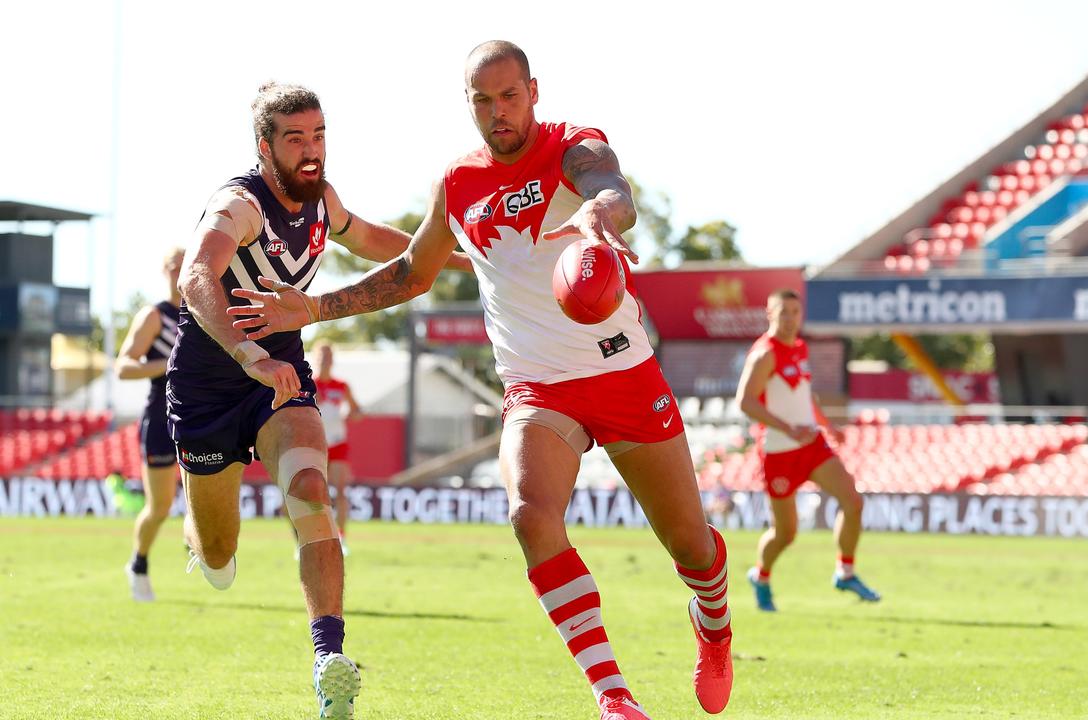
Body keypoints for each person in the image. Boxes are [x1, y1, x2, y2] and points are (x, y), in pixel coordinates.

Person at [228, 42, 734, 720]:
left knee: (691, 546)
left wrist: (601, 212)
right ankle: (614, 696)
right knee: (530, 515)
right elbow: (413, 272)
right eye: (482, 101)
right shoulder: (459, 185)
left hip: (620, 368)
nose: (499, 112)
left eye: (509, 96)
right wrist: (315, 308)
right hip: (536, 389)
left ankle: (714, 622)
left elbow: (611, 185)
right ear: (468, 105)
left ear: (532, 90)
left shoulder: (571, 146)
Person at [169, 82, 464, 719]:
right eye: (296, 139)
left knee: (311, 488)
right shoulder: (240, 204)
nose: (311, 151)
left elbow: (375, 242)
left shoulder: (322, 199)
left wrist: (460, 257)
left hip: (284, 374)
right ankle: (200, 539)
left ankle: (329, 663)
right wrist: (251, 354)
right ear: (264, 147)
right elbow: (196, 276)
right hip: (209, 382)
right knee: (219, 557)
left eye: (320, 135)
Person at [735, 289, 880, 612]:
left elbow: (803, 396)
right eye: (782, 311)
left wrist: (827, 426)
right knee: (786, 534)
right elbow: (744, 402)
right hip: (779, 452)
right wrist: (788, 429)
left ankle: (845, 571)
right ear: (769, 313)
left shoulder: (799, 348)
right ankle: (761, 576)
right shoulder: (765, 354)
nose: (789, 318)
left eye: (794, 311)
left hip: (812, 445)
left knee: (853, 501)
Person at [117, 247, 184, 602]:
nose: (180, 272)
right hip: (161, 413)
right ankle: (138, 564)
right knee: (159, 506)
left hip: (200, 414)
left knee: (206, 492)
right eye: (175, 266)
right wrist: (168, 363)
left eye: (187, 265)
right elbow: (123, 366)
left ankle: (202, 546)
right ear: (164, 271)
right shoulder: (155, 316)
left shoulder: (204, 313)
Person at [312, 341, 361, 553]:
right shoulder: (309, 384)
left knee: (341, 491)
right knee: (315, 492)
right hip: (315, 442)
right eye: (322, 356)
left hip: (338, 442)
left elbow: (356, 410)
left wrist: (350, 415)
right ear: (315, 358)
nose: (326, 360)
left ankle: (342, 537)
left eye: (329, 356)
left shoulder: (341, 385)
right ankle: (313, 537)